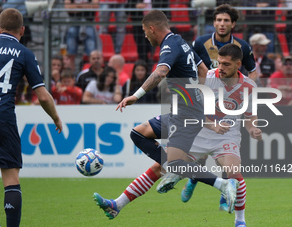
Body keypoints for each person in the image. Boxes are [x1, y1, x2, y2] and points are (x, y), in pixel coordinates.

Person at [94, 45, 260, 227]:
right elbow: (190, 108)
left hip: (226, 136)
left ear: (238, 64)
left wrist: (253, 128)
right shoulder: (208, 78)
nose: (221, 67)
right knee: (160, 168)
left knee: (233, 172)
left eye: (226, 64)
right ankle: (117, 204)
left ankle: (240, 221)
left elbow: (249, 116)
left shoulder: (248, 87)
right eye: (219, 63)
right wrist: (210, 124)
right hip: (198, 131)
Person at [96, 10, 239, 215]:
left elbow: (161, 72)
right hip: (184, 113)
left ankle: (221, 184)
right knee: (143, 140)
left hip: (186, 116)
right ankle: (116, 205)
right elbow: (203, 70)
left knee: (169, 163)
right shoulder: (182, 42)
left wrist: (136, 95)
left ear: (152, 28)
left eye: (145, 31)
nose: (145, 36)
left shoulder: (170, 45)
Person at [0, 8, 62, 227]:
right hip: (1, 118)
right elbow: (42, 96)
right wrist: (55, 117)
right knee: (11, 179)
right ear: (22, 30)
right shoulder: (24, 53)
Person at [192, 4, 257, 81]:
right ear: (214, 23)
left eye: (226, 20)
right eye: (219, 20)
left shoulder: (242, 46)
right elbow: (189, 68)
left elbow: (252, 71)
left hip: (232, 90)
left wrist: (247, 89)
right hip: (208, 91)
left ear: (233, 24)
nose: (222, 24)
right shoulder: (200, 43)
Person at [64, 0, 99, 72]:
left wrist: (76, 7)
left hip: (89, 23)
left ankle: (92, 74)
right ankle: (71, 75)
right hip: (73, 23)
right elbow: (68, 7)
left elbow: (95, 6)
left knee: (92, 52)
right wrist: (86, 6)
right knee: (70, 53)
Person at [126, 0, 152, 65]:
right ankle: (143, 65)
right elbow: (127, 10)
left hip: (155, 23)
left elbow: (165, 8)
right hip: (139, 26)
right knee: (142, 46)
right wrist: (135, 6)